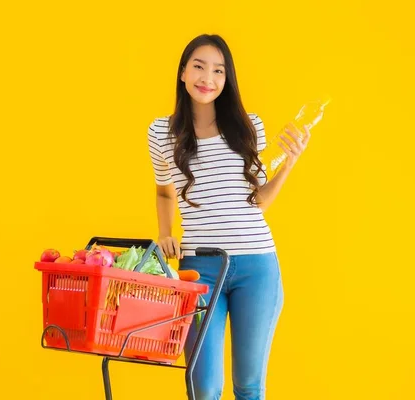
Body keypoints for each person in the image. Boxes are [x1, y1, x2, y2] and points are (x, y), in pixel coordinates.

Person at [147, 34, 311, 400]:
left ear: (227, 78)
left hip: (257, 267)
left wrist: (289, 163)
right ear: (183, 73)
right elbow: (163, 190)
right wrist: (164, 232)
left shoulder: (249, 126)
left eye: (219, 70)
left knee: (249, 387)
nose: (208, 78)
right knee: (203, 388)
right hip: (199, 270)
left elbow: (259, 201)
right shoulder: (162, 132)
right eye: (200, 67)